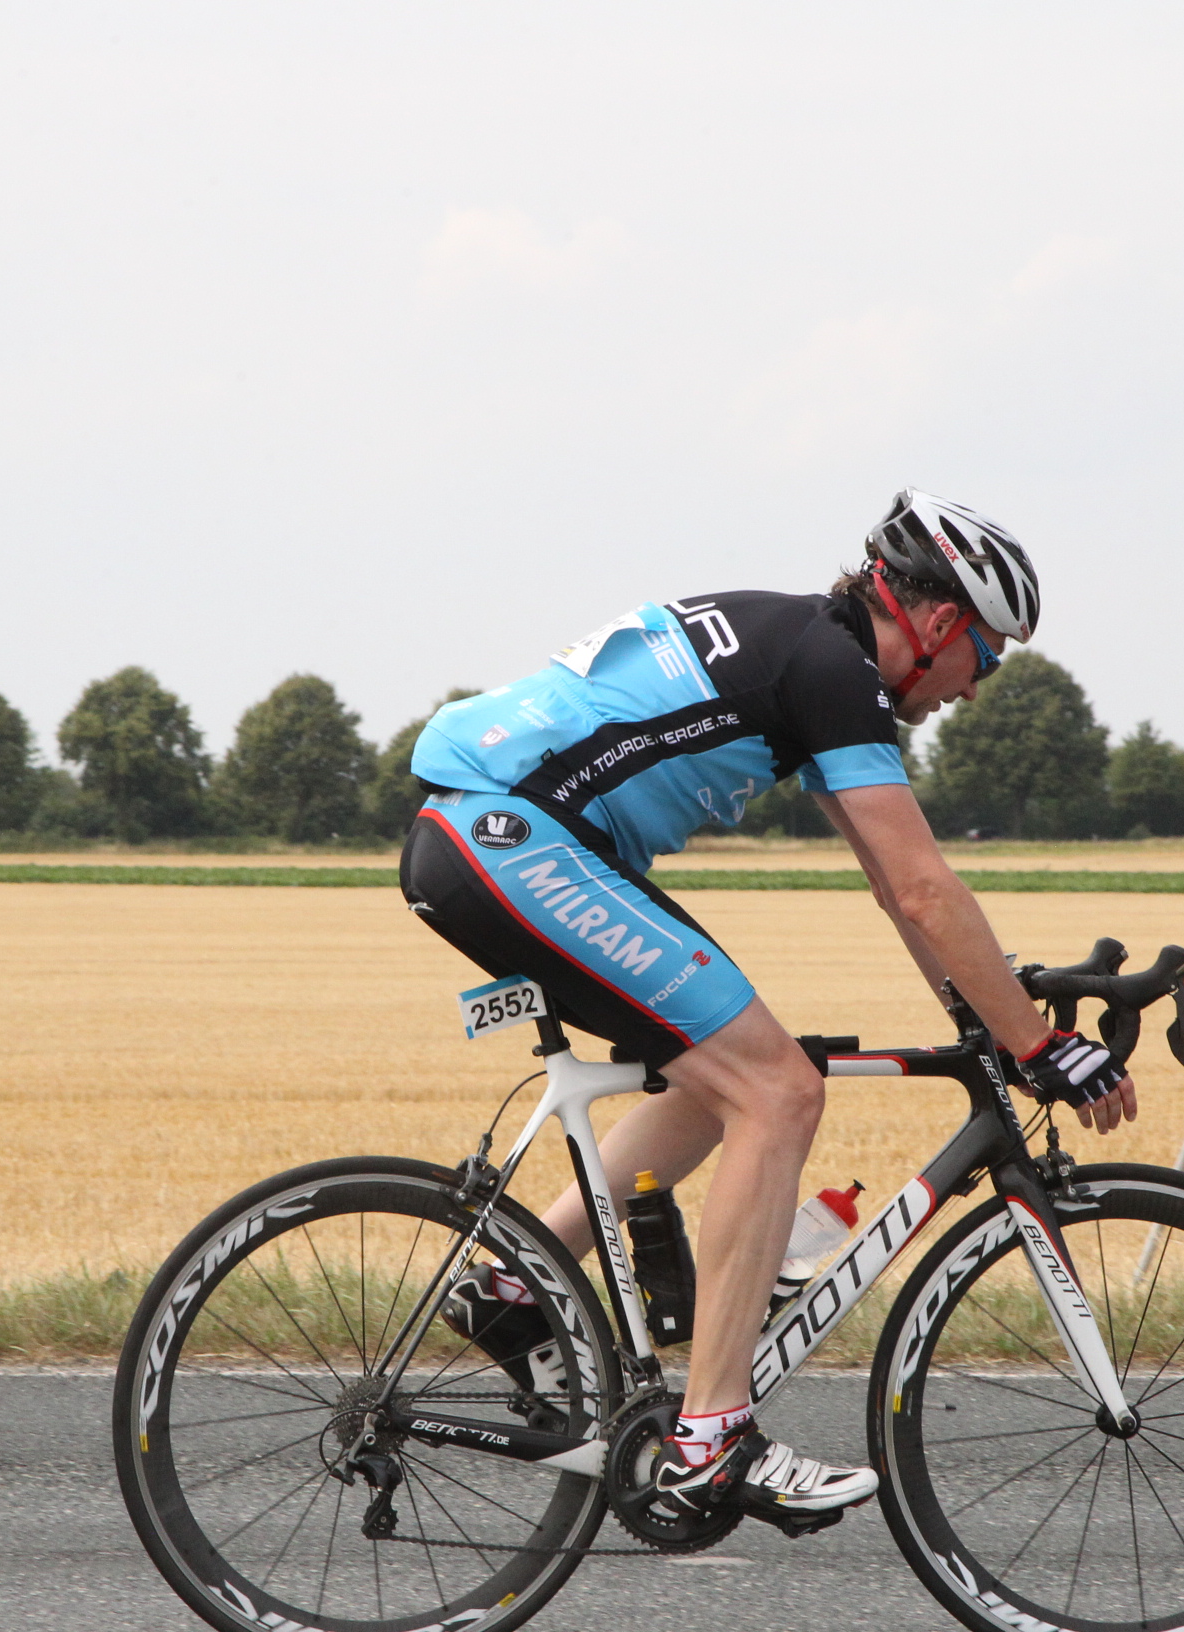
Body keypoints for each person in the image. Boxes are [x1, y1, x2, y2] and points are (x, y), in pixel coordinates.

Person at [397, 488, 1135, 1531]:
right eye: (991, 653)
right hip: (507, 839)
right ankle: (710, 1440)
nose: (979, 687)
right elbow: (925, 886)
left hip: (499, 835)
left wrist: (992, 1015)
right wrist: (1039, 1042)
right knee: (778, 1092)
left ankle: (520, 1283)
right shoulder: (831, 669)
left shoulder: (811, 655)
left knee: (731, 1080)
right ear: (936, 624)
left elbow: (895, 887)